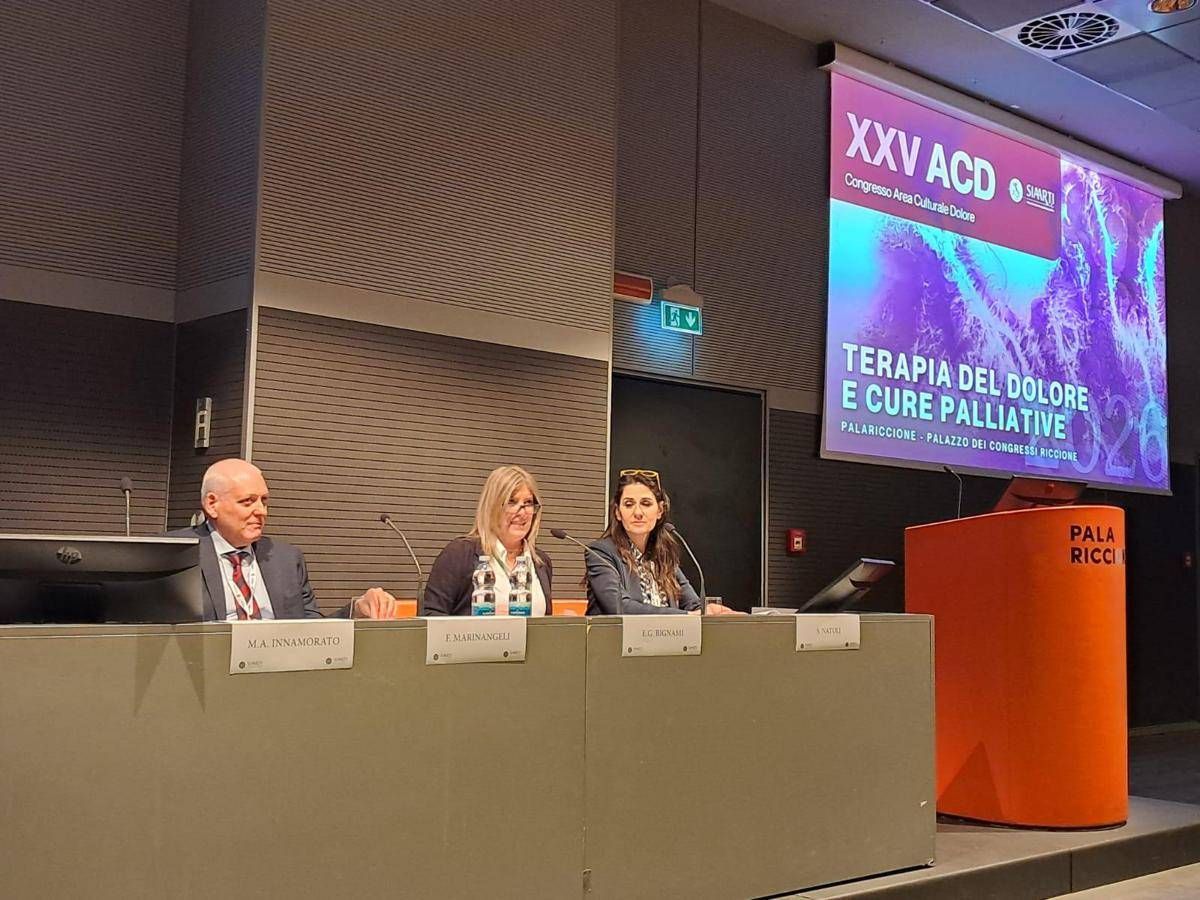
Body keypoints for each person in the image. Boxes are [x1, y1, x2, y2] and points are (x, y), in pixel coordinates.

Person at [173, 458, 396, 621]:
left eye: (264, 501)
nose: (261, 511)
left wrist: (356, 610)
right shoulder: (175, 553)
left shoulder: (286, 558)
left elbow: (311, 629)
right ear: (212, 504)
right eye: (248, 502)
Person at [586, 469, 738, 616]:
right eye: (629, 504)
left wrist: (711, 612)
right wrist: (687, 615)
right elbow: (620, 607)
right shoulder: (600, 553)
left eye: (646, 503)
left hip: (669, 635)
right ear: (618, 512)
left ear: (660, 511)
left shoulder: (664, 555)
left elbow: (693, 605)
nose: (638, 513)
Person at [424, 465, 553, 616]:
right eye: (512, 502)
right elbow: (430, 615)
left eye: (528, 503)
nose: (522, 512)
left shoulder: (541, 562)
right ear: (492, 507)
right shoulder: (459, 554)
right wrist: (486, 623)